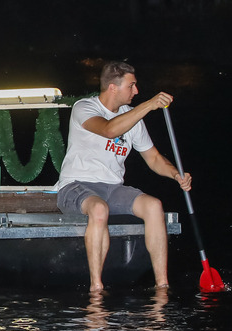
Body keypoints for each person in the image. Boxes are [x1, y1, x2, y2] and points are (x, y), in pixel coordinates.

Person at [54, 61, 192, 292]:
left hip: (113, 188)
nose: (136, 91)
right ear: (113, 87)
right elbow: (109, 130)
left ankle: (162, 285)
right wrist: (148, 105)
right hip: (75, 185)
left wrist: (176, 175)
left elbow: (154, 158)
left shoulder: (132, 117)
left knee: (154, 205)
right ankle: (96, 288)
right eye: (132, 86)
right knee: (99, 210)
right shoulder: (84, 107)